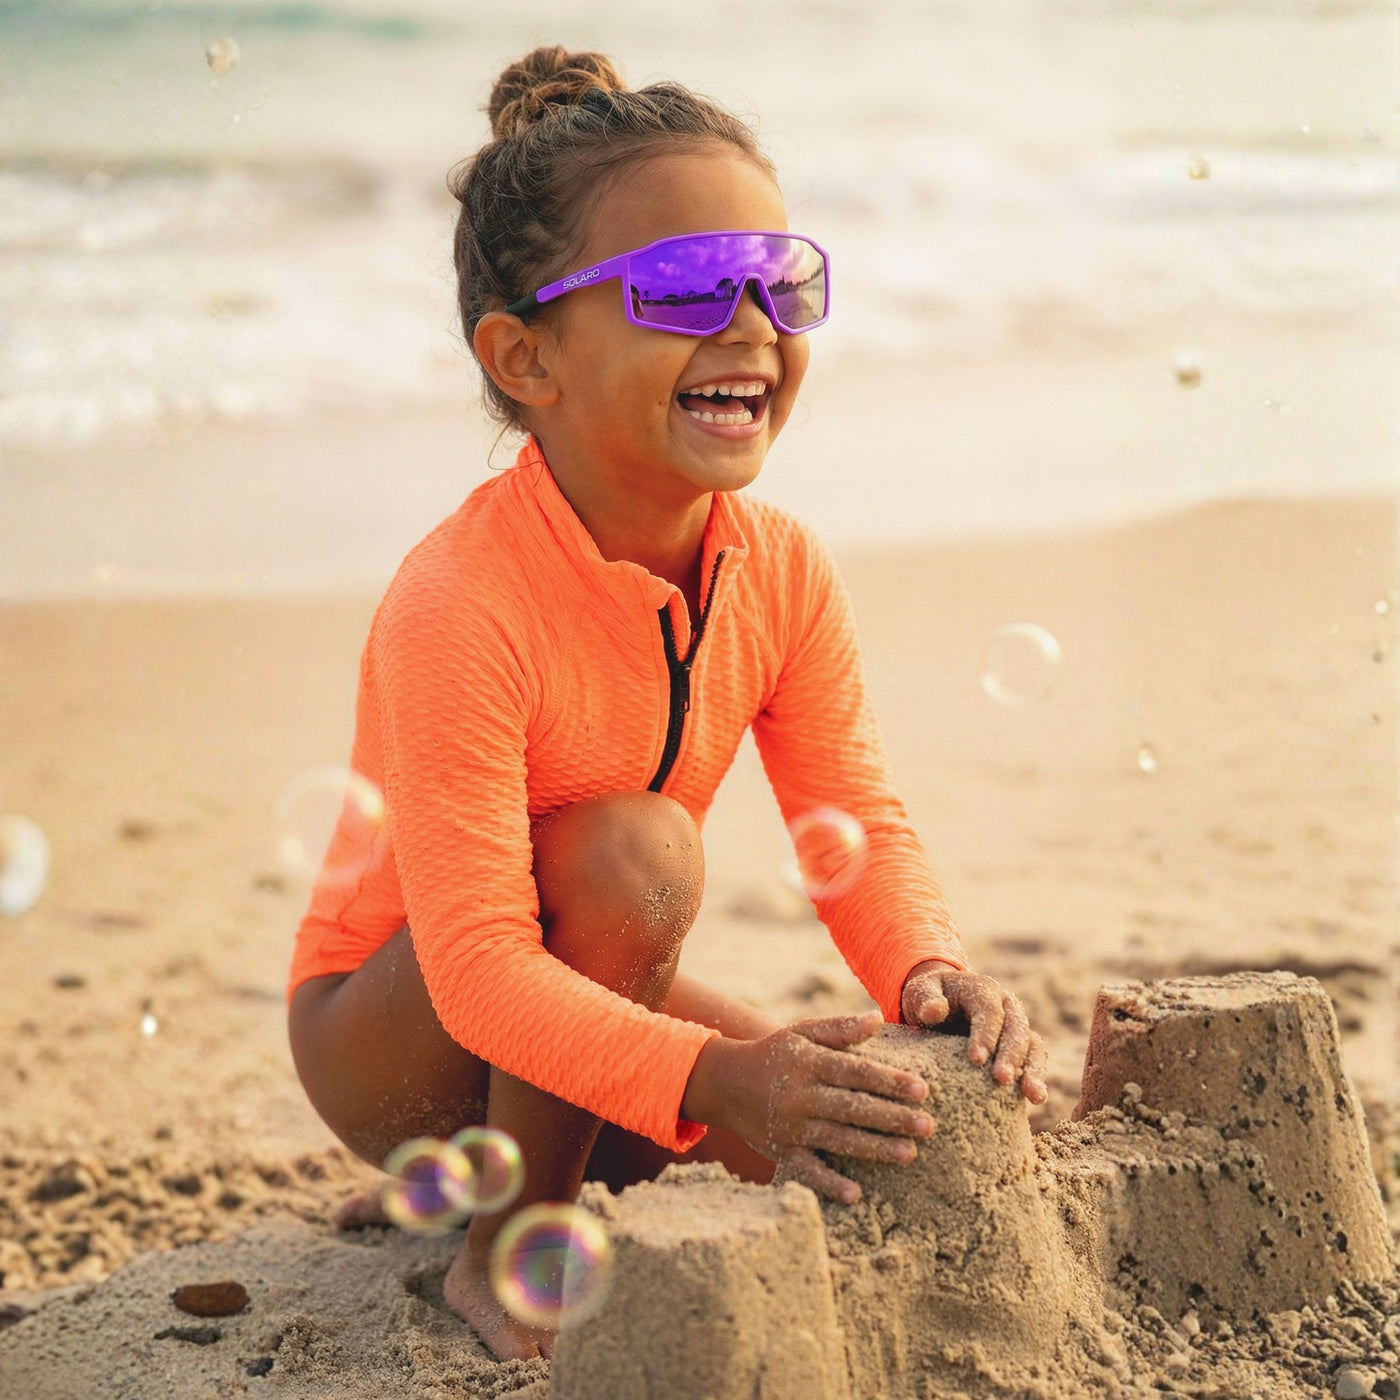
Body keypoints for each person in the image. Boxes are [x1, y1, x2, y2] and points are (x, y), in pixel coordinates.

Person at [286, 45, 1048, 1363]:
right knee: (638, 852)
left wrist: (928, 968)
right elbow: (481, 973)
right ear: (527, 356)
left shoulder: (785, 570)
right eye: (687, 286)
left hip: (582, 986)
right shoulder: (460, 600)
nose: (750, 324)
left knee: (879, 1141)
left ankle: (514, 1171)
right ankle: (504, 1242)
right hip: (399, 1040)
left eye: (780, 280)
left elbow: (857, 820)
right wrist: (715, 1076)